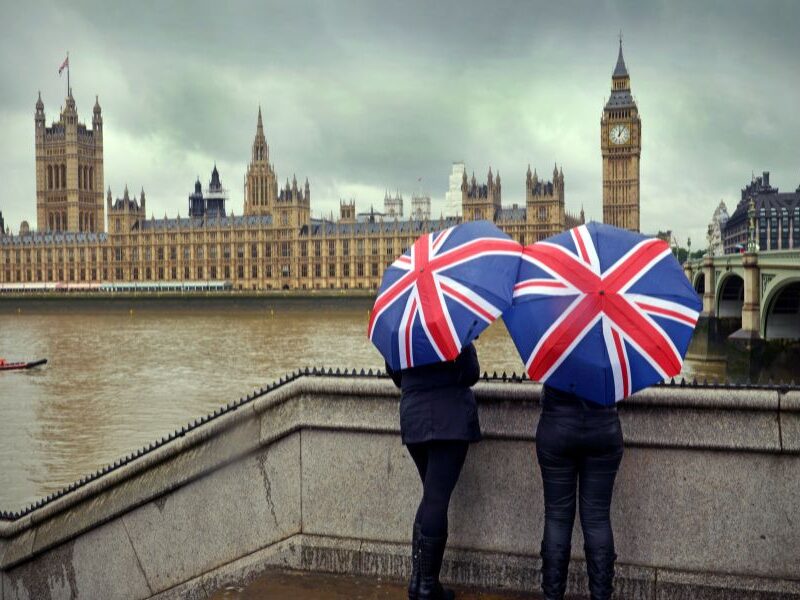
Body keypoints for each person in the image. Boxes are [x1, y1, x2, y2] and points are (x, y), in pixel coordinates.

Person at [386, 342, 481, 600]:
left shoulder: (402, 329)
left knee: (430, 497)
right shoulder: (452, 327)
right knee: (436, 500)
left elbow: (396, 375)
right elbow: (471, 373)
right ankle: (427, 586)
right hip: (449, 419)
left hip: (414, 419)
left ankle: (418, 583)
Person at [535, 384, 624, 600]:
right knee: (598, 519)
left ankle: (552, 596)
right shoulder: (610, 350)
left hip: (557, 428)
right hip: (604, 429)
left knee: (556, 518)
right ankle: (601, 595)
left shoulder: (553, 348)